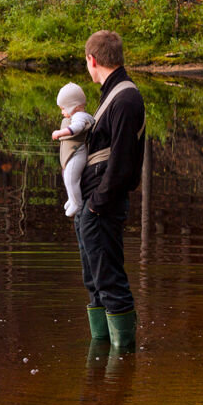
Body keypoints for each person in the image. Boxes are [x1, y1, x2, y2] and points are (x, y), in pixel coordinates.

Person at [76, 30, 146, 351]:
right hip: (93, 206)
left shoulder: (126, 98)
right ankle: (101, 359)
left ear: (92, 60)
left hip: (102, 207)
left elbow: (122, 164)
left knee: (110, 283)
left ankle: (122, 360)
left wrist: (95, 205)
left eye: (86, 62)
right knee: (95, 284)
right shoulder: (111, 94)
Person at [52, 83, 94, 218]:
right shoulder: (76, 115)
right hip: (73, 154)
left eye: (63, 108)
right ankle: (72, 198)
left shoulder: (80, 116)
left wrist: (60, 133)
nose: (62, 112)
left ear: (73, 107)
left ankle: (77, 203)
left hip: (78, 154)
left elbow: (77, 128)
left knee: (71, 178)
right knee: (67, 176)